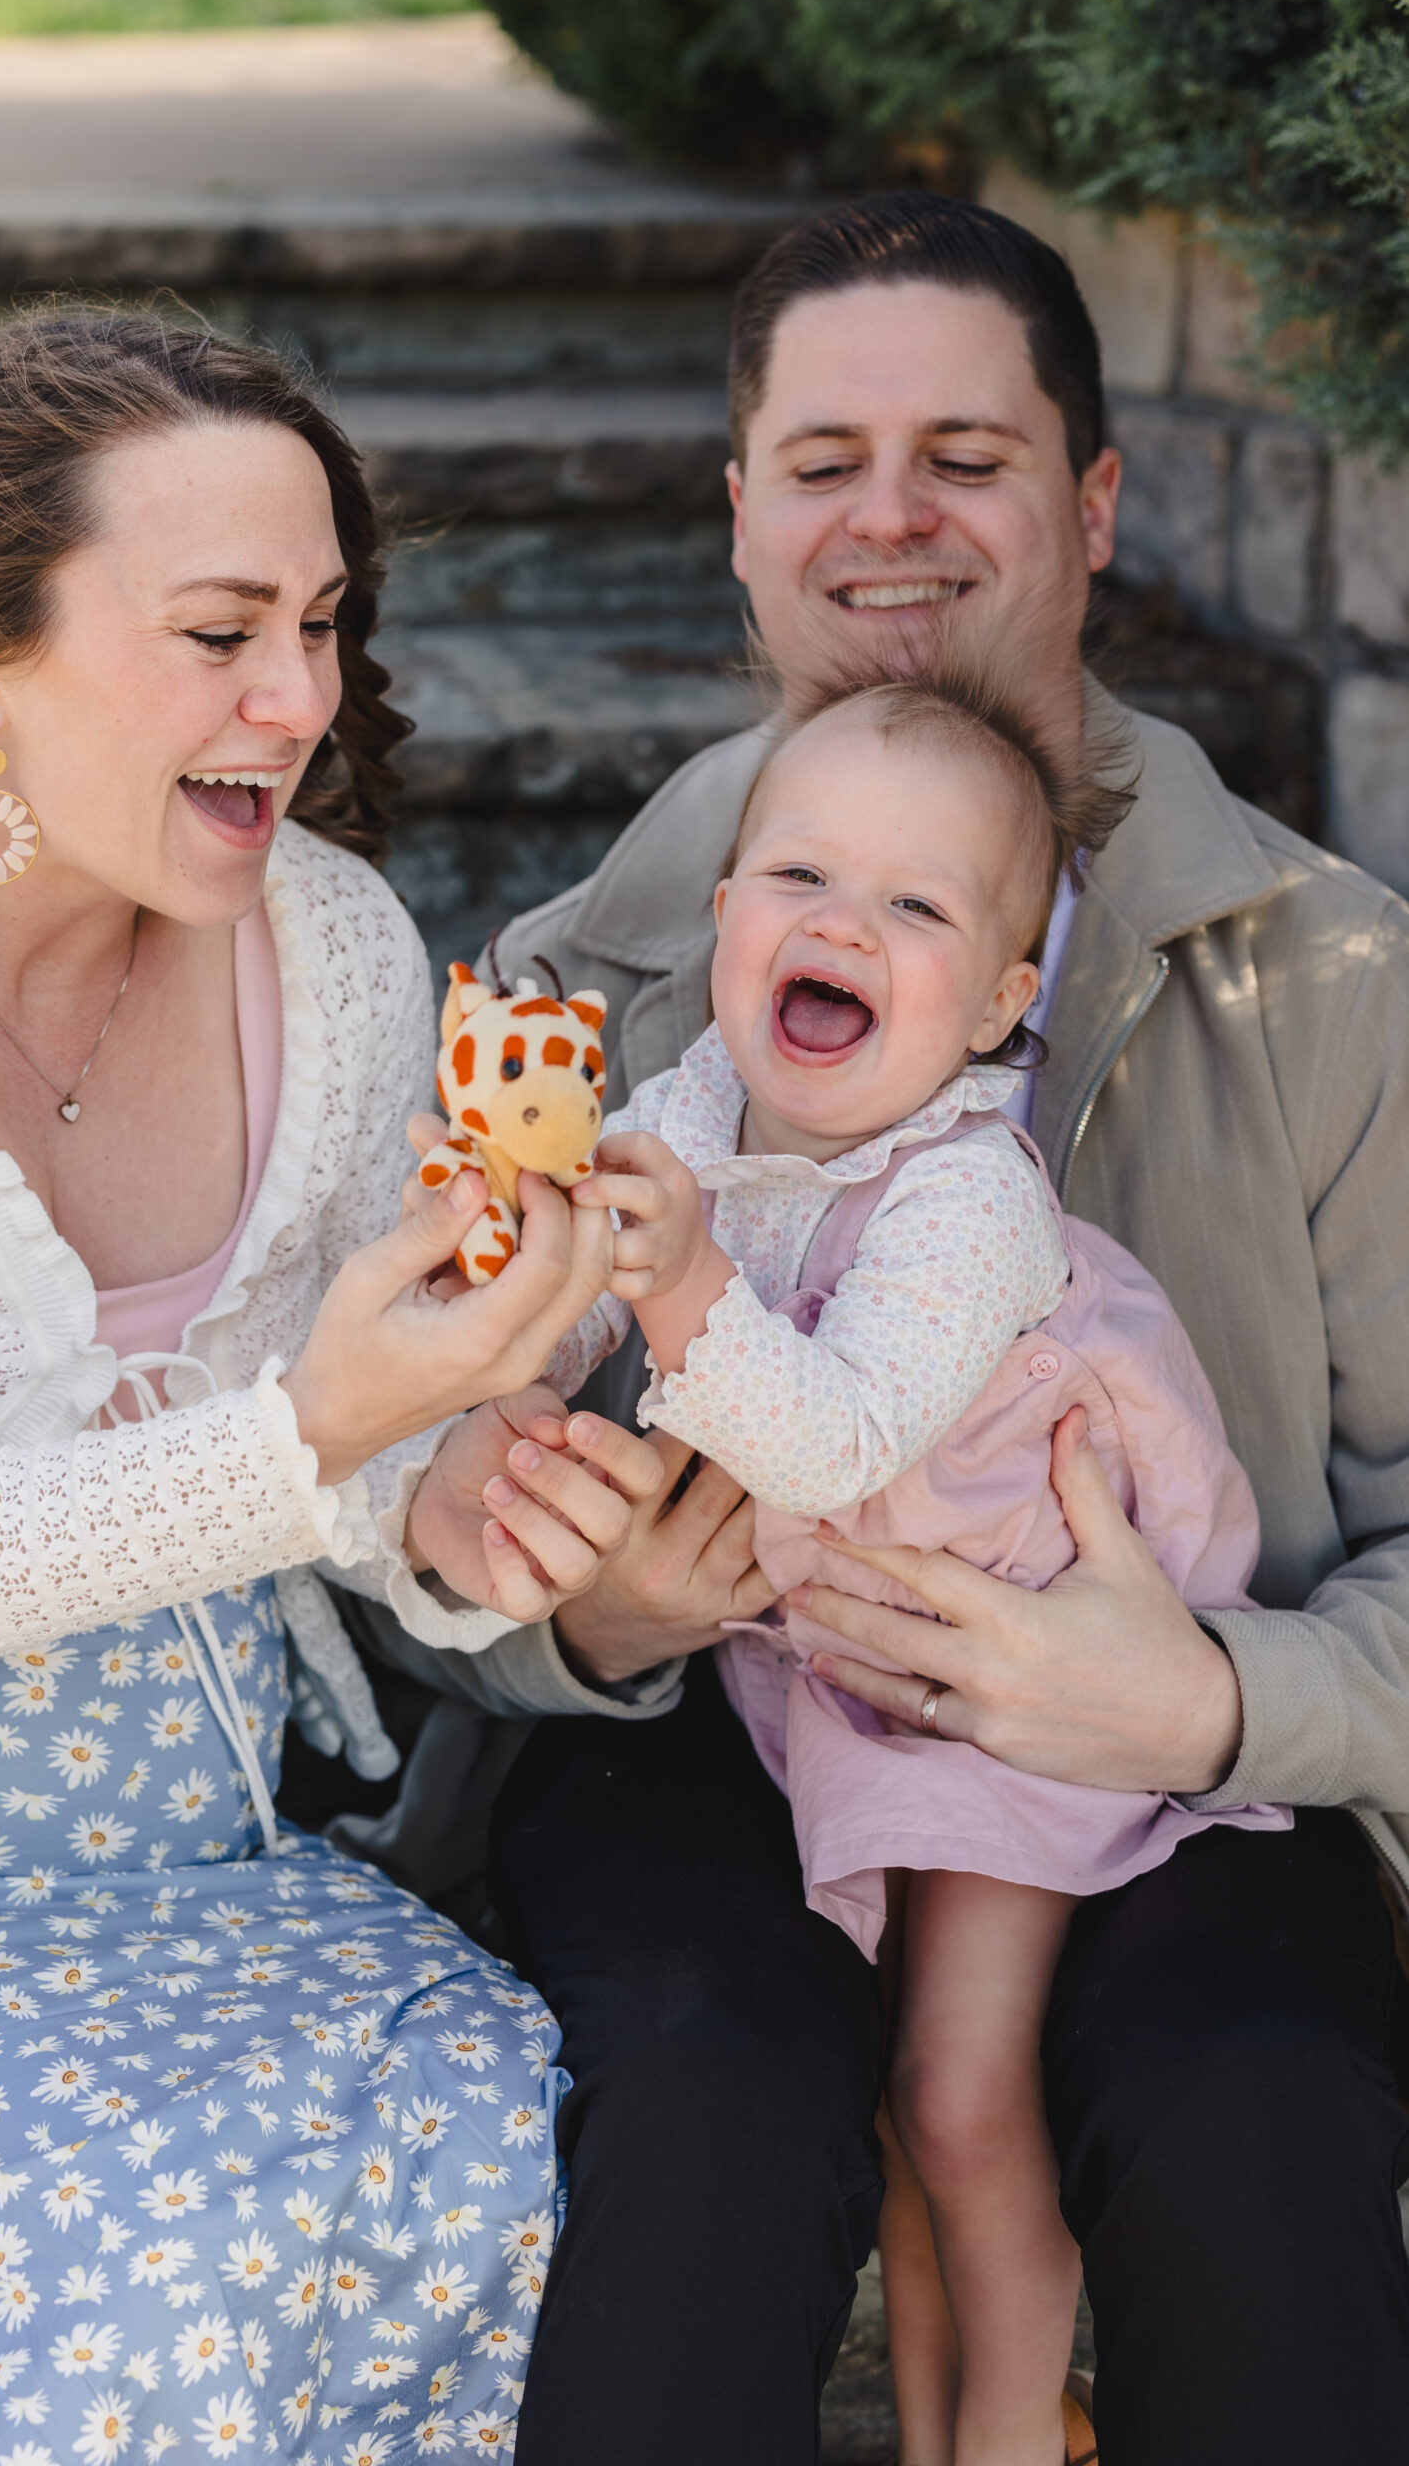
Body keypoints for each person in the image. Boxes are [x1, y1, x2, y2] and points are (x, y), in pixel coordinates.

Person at [450, 194, 1409, 2466]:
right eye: (822, 458)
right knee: (695, 2061)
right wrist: (571, 1621)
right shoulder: (581, 971)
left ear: (1088, 502)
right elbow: (396, 1495)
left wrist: (1207, 1690)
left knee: (1248, 2090)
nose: (887, 517)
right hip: (711, 1732)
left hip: (1181, 1770)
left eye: (964, 454)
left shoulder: (1336, 983)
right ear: (738, 519)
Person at [0, 307, 647, 2466]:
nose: (299, 700)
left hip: (206, 1878)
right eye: (219, 629)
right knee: (153, 2249)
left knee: (504, 2145)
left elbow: (363, 1457)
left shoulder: (326, 946)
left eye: (320, 623)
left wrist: (454, 1497)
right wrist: (306, 1433)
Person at [545, 663, 1287, 2463]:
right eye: (800, 878)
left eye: (918, 906)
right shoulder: (684, 1107)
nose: (842, 927)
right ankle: (951, 2427)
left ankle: (1020, 2432)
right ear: (723, 919)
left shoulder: (971, 1194)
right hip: (845, 1672)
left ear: (1003, 1003)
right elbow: (575, 1350)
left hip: (1016, 1669)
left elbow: (846, 1436)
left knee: (962, 2097)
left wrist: (676, 1281)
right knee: (893, 2121)